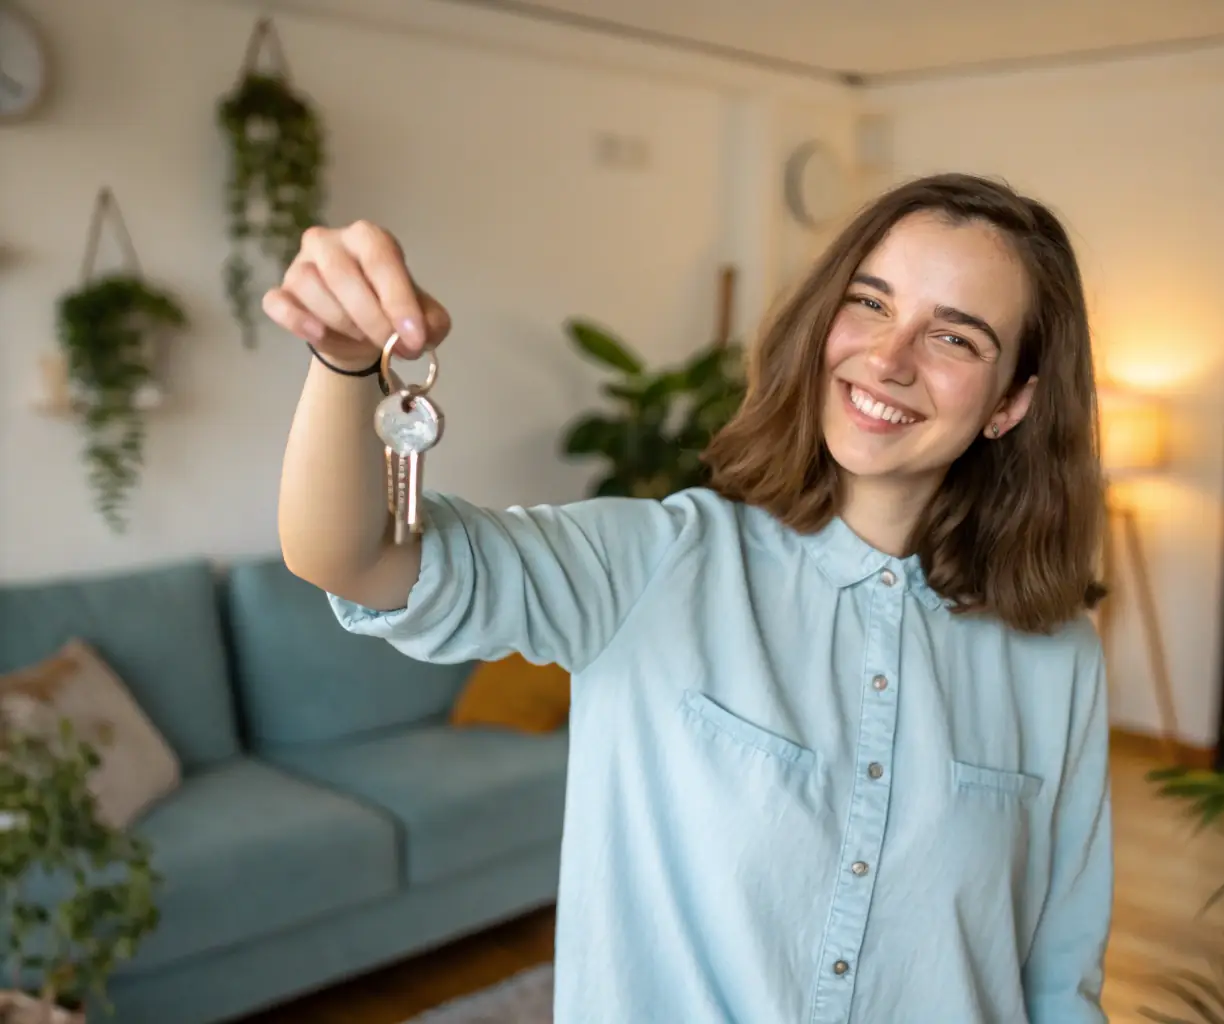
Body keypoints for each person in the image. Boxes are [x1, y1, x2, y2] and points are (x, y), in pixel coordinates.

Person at [269, 172, 1113, 1023]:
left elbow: (1059, 970)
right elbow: (357, 557)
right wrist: (345, 361)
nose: (888, 359)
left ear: (1011, 403)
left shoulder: (1058, 656)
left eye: (956, 339)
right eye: (870, 303)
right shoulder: (654, 564)